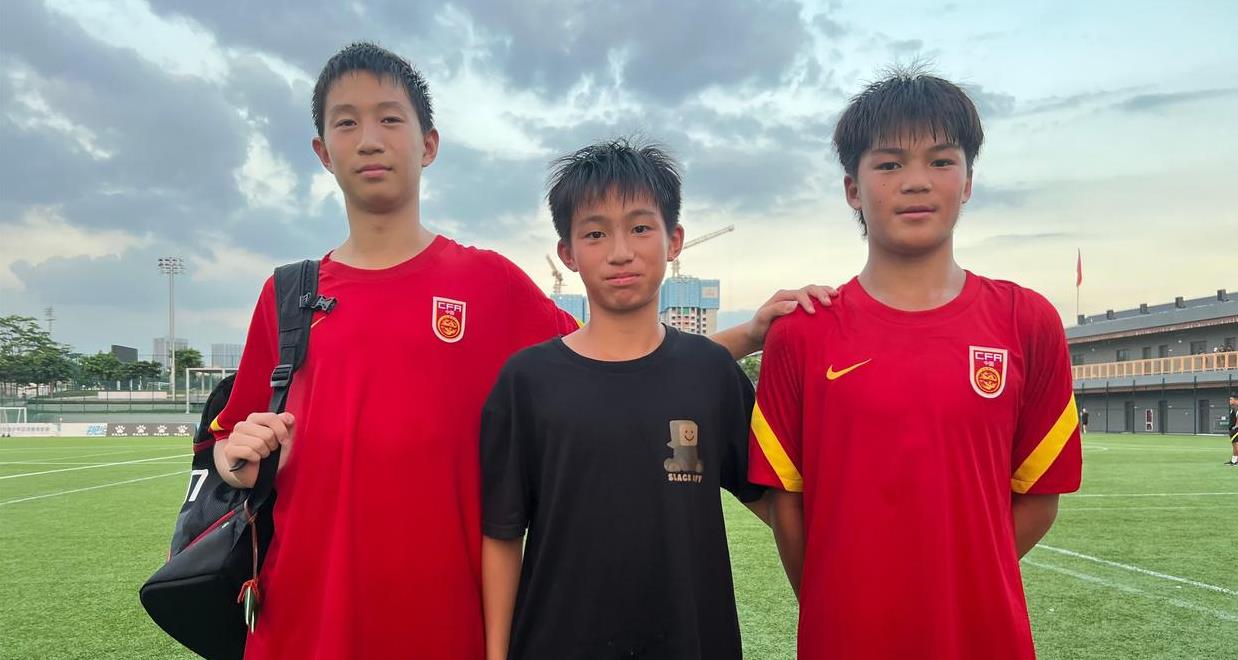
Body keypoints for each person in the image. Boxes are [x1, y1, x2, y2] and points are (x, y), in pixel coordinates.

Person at [208, 43, 832, 659]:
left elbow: (621, 364)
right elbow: (231, 451)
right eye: (346, 123)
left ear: (429, 144)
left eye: (390, 118)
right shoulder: (289, 295)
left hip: (445, 619)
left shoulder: (488, 283)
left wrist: (749, 335)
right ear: (323, 151)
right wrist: (235, 460)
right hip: (308, 616)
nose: (369, 140)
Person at [748, 68, 1082, 660]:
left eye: (941, 160)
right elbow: (787, 505)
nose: (917, 181)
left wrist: (957, 583)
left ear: (968, 181)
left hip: (982, 639)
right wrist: (838, 597)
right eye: (889, 164)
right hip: (843, 637)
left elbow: (1039, 496)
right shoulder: (801, 333)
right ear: (852, 189)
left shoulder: (1027, 321)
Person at [481, 140, 767, 660]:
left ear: (674, 240)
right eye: (595, 233)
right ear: (568, 253)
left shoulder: (711, 373)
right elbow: (502, 535)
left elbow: (776, 503)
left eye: (640, 228)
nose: (620, 252)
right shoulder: (527, 381)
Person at [1226, 394, 1237, 466]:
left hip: (1235, 430)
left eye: (1231, 399)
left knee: (1236, 445)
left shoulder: (1236, 407)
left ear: (1236, 400)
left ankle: (1235, 461)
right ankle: (1234, 460)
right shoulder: (1233, 408)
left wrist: (1235, 426)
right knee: (1234, 445)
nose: (1229, 401)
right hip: (1232, 430)